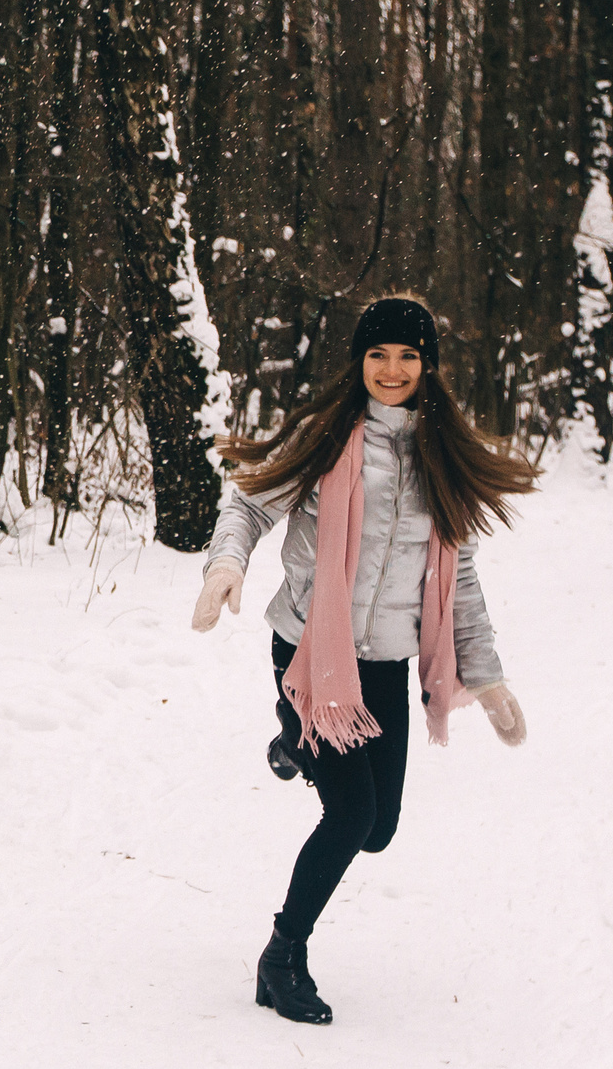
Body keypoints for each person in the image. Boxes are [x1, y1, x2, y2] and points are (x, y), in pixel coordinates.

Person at [190, 296, 538, 1025]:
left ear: (428, 365)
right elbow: (248, 504)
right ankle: (282, 956)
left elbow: (461, 581)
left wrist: (487, 676)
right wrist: (226, 564)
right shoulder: (326, 439)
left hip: (383, 663)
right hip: (310, 651)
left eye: (408, 355)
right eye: (378, 354)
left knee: (379, 830)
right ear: (359, 361)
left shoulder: (442, 457)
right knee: (351, 814)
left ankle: (294, 745)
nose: (392, 369)